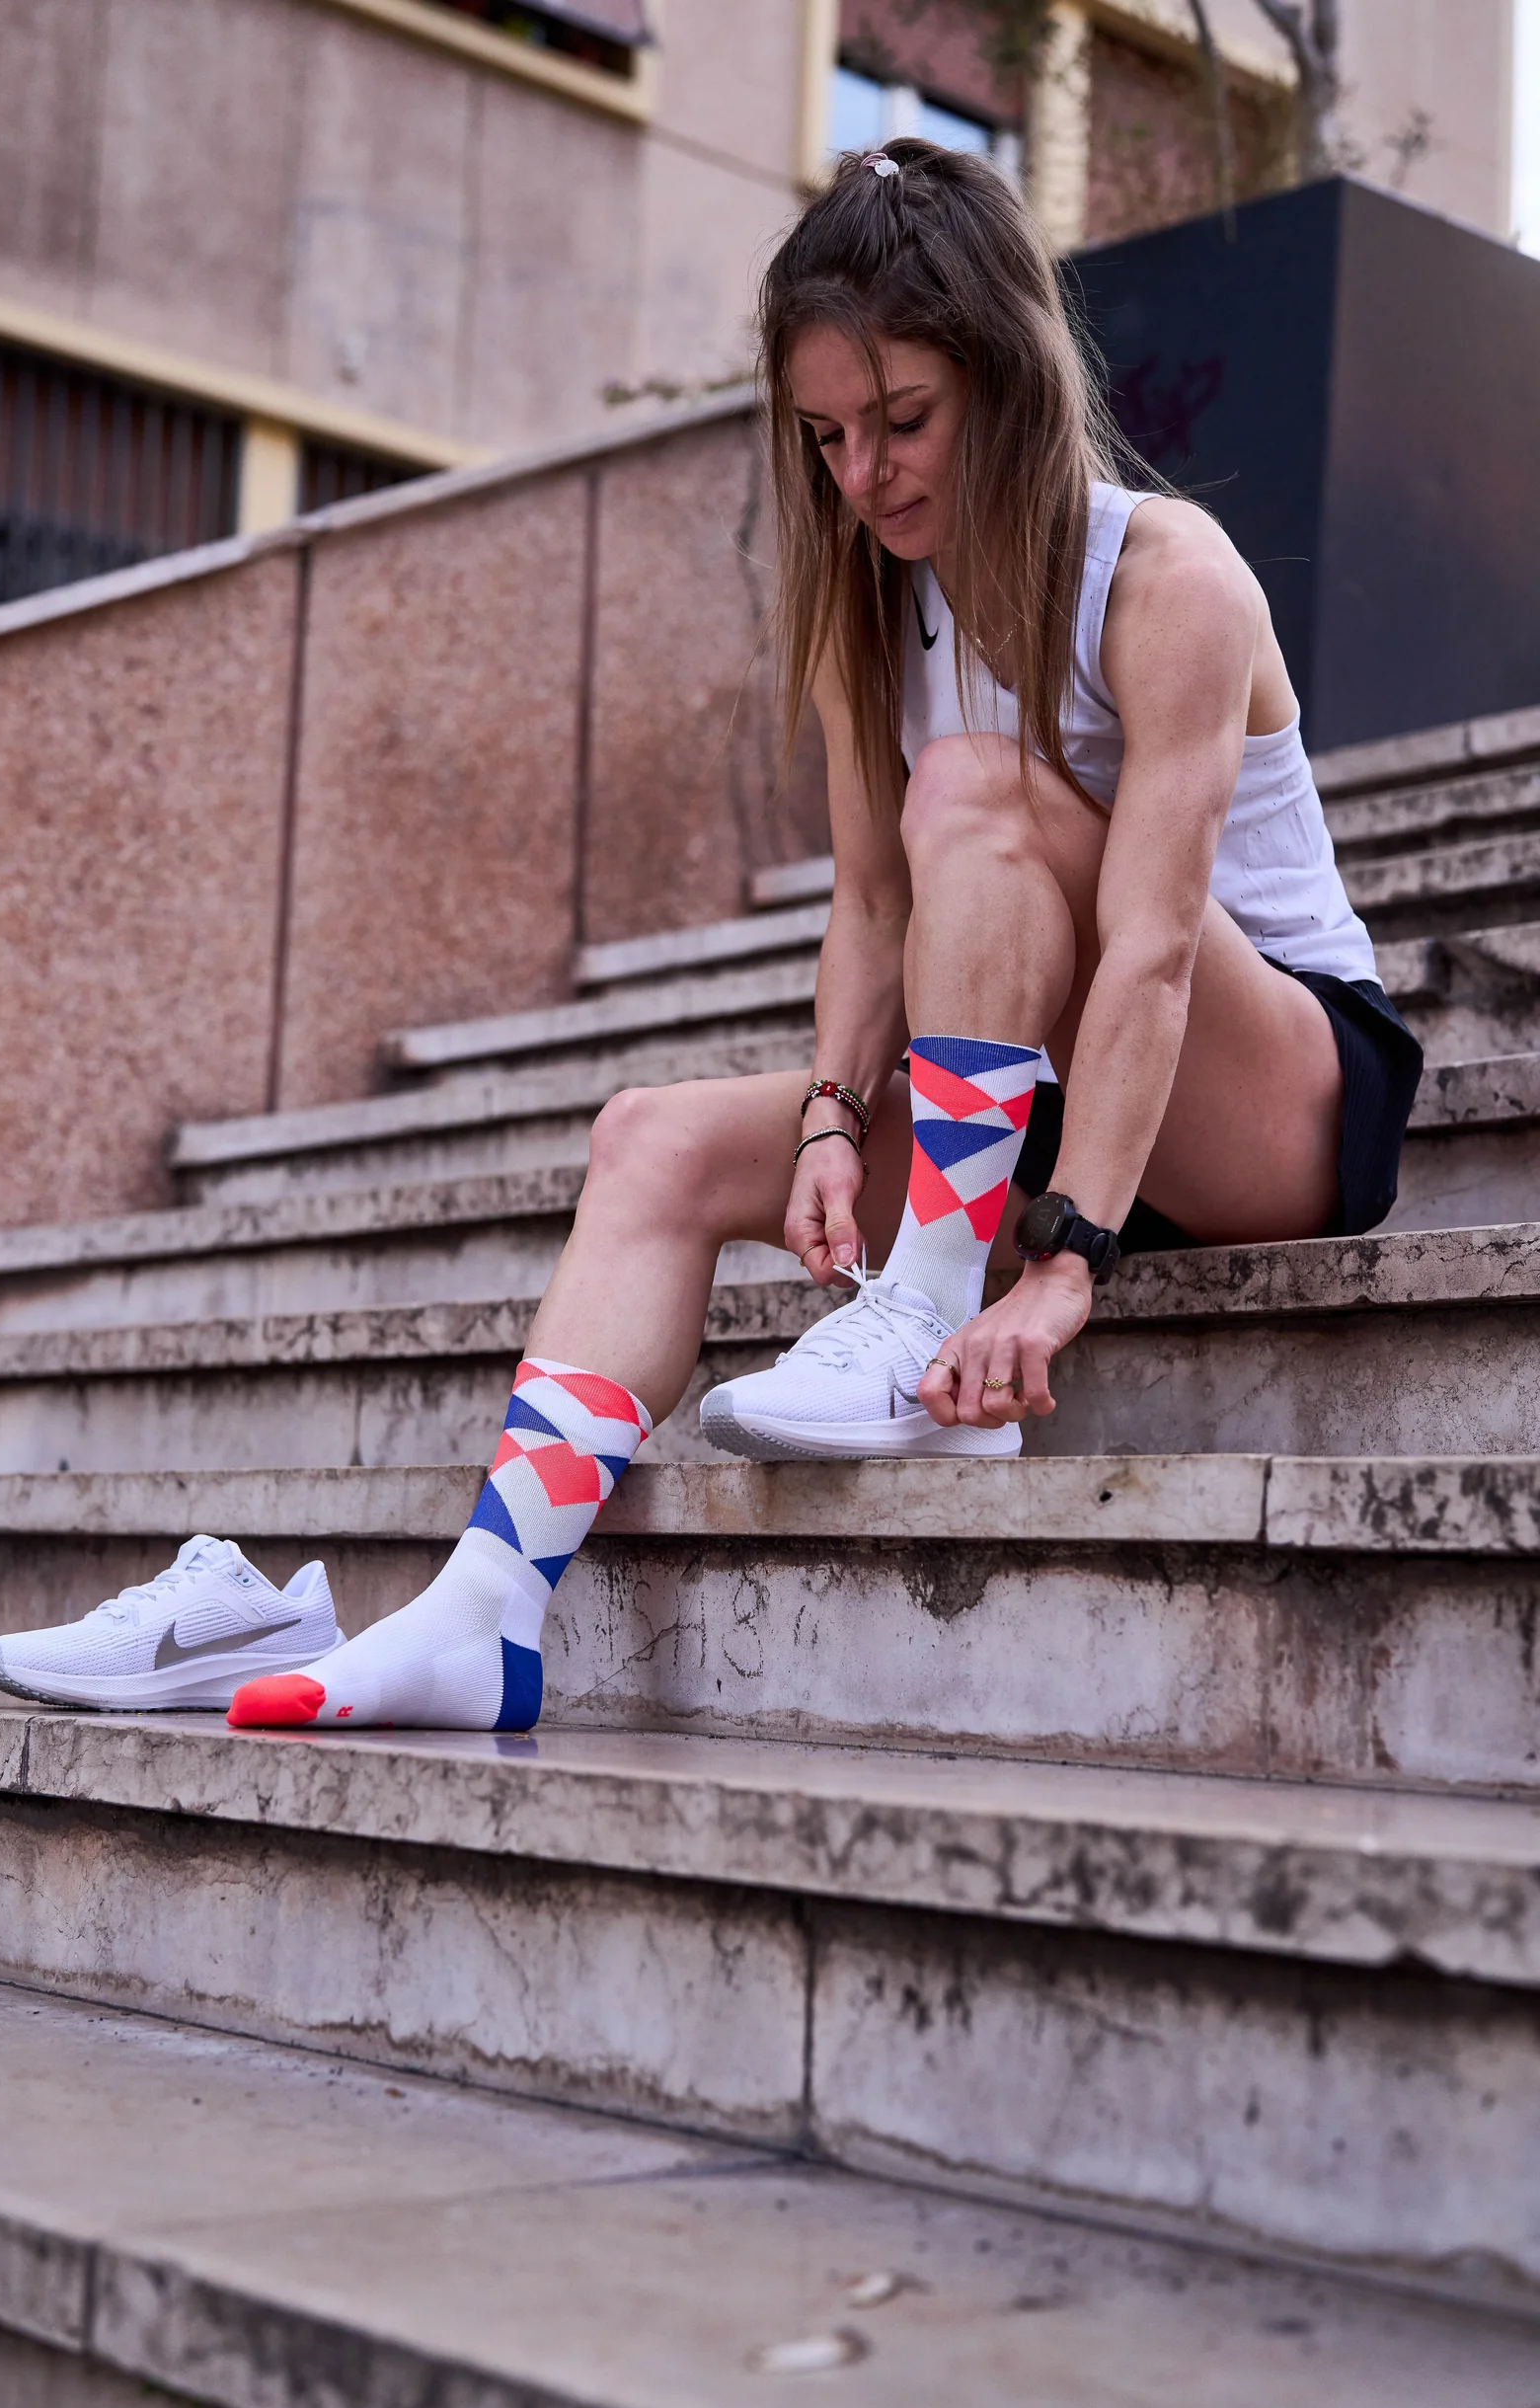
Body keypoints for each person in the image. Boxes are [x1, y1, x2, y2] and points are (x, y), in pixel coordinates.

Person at [218, 137, 1421, 1736]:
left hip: (1273, 1093)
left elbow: (1145, 948)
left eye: (904, 419)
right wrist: (829, 1122)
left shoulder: (1164, 577)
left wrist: (1063, 1268)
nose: (862, 475)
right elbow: (871, 904)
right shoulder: (876, 601)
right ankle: (484, 1611)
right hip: (1056, 1092)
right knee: (646, 1142)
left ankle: (917, 1307)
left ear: (1005, 378)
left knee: (980, 788)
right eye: (828, 434)